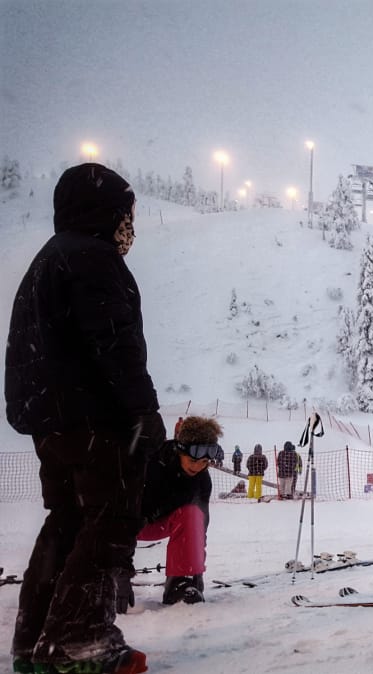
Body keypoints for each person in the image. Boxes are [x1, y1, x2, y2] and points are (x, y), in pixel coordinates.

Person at [6, 163, 164, 674]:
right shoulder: (92, 259)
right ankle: (80, 638)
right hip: (95, 419)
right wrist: (143, 410)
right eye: (125, 214)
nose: (129, 226)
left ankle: (36, 638)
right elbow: (116, 345)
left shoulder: (47, 261)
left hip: (53, 423)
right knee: (109, 519)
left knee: (68, 519)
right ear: (104, 212)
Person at [138, 416, 222, 606]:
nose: (198, 466)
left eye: (204, 462)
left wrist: (195, 568)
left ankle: (179, 582)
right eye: (193, 460)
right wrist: (119, 570)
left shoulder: (202, 480)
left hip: (162, 524)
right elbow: (118, 509)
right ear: (179, 450)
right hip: (125, 524)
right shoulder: (150, 462)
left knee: (193, 513)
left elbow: (201, 527)